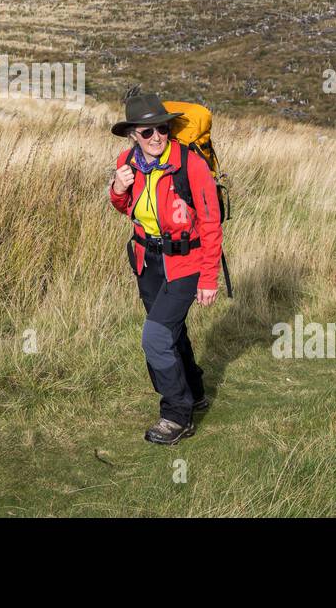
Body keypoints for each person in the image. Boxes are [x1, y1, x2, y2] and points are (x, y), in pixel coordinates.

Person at [109, 92, 222, 445]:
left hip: (186, 263)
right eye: (147, 132)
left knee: (155, 337)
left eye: (162, 128)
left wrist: (208, 277)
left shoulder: (190, 165)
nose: (157, 137)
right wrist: (117, 188)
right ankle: (195, 393)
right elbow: (125, 206)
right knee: (170, 332)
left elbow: (210, 222)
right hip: (147, 261)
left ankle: (176, 416)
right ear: (133, 135)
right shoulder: (126, 161)